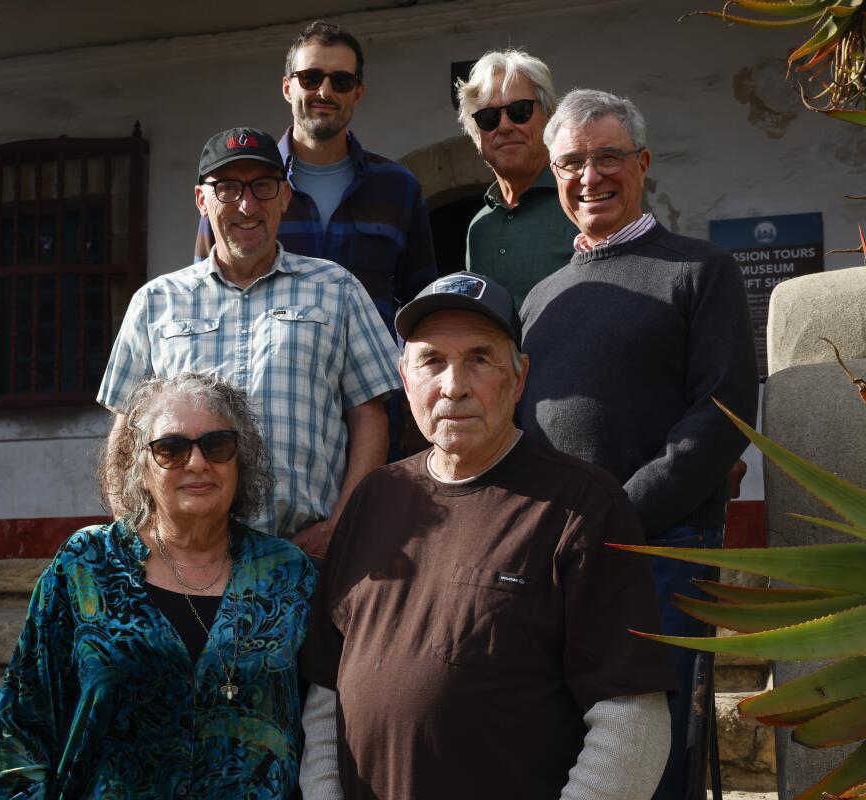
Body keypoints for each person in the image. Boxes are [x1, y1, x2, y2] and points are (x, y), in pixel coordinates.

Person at [299, 272, 675, 800]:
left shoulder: (583, 507)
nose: (454, 385)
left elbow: (632, 718)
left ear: (519, 379)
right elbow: (324, 690)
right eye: (431, 361)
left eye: (479, 358)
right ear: (405, 379)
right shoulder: (371, 498)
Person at [519, 89, 759, 799]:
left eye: (607, 157)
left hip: (661, 553)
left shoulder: (699, 270)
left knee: (651, 762)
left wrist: (616, 519)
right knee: (568, 759)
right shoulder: (541, 298)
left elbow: (721, 412)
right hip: (553, 562)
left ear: (643, 163)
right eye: (570, 163)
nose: (589, 177)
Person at [0, 372, 317, 799]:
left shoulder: (288, 574)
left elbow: (327, 722)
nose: (197, 463)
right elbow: (20, 724)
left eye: (216, 445)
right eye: (171, 448)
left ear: (241, 459)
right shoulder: (86, 565)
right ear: (140, 469)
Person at [99, 127, 400, 557]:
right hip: (187, 560)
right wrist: (134, 533)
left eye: (262, 187)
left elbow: (370, 417)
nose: (247, 205)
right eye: (227, 188)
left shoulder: (337, 288)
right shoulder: (155, 301)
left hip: (307, 554)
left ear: (284, 197)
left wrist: (341, 525)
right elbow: (125, 432)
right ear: (202, 200)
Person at [195, 20, 437, 338]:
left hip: (375, 386)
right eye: (310, 77)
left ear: (358, 92)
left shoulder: (398, 188)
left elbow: (422, 307)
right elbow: (204, 295)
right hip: (270, 383)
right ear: (287, 87)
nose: (325, 91)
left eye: (341, 81)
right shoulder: (239, 192)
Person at [457, 49, 577, 308]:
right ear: (476, 135)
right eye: (488, 118)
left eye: (519, 111)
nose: (504, 126)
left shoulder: (581, 200)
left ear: (549, 118)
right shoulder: (479, 227)